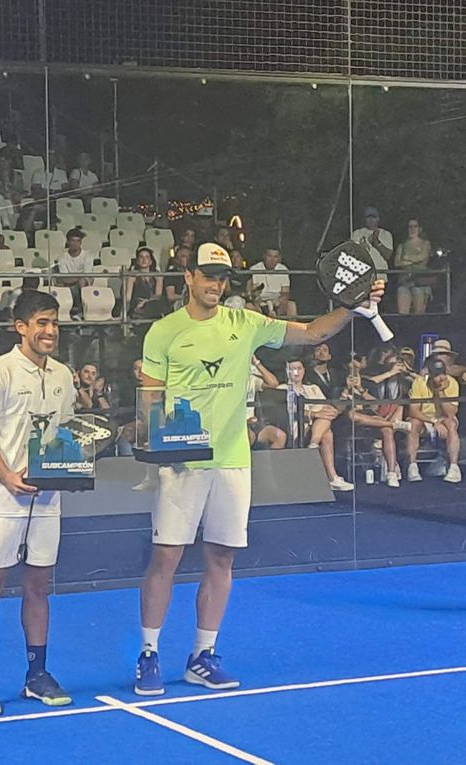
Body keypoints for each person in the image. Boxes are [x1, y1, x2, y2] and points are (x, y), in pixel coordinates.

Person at [133, 242, 384, 696]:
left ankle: (201, 657)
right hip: (182, 462)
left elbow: (310, 333)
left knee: (222, 557)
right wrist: (156, 449)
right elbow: (150, 398)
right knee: (166, 557)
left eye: (222, 277)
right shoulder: (163, 331)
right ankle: (149, 653)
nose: (215, 284)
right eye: (207, 275)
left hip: (231, 460)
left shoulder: (245, 323)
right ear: (188, 277)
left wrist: (351, 306)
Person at [0, 290, 76, 716]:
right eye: (42, 323)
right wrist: (8, 476)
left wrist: (72, 468)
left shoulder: (63, 376)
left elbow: (64, 434)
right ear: (21, 326)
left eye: (55, 323)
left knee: (39, 586)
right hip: (0, 498)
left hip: (47, 498)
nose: (50, 331)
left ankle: (37, 675)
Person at [278, 358, 354, 490]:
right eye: (292, 369)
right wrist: (313, 414)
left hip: (317, 426)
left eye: (299, 368)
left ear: (304, 370)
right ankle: (332, 477)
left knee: (326, 430)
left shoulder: (313, 388)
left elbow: (325, 408)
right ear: (287, 371)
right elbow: (286, 412)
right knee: (326, 430)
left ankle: (313, 446)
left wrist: (330, 411)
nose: (296, 372)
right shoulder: (282, 389)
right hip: (296, 427)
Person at [406, 358, 461, 484]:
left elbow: (451, 413)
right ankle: (412, 466)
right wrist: (433, 422)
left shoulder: (452, 383)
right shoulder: (419, 382)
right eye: (437, 375)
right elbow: (413, 411)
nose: (441, 378)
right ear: (430, 375)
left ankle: (454, 467)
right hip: (425, 417)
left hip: (444, 417)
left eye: (442, 373)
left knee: (451, 424)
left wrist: (440, 393)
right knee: (414, 424)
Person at [394, 218, 432, 314]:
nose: (412, 229)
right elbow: (397, 263)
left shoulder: (425, 243)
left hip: (420, 283)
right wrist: (412, 260)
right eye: (410, 227)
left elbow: (422, 257)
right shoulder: (402, 245)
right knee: (403, 313)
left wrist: (406, 258)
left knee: (419, 313)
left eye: (415, 226)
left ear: (420, 229)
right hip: (404, 282)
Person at [249, 248, 297, 317]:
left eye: (275, 257)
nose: (272, 260)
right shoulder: (255, 269)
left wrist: (279, 301)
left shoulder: (283, 269)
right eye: (269, 256)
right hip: (261, 303)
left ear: (279, 258)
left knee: (291, 305)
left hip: (277, 303)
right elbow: (253, 292)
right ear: (264, 256)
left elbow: (285, 293)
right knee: (249, 306)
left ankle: (292, 327)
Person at [351, 206, 393, 282]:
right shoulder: (357, 233)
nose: (371, 220)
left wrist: (376, 242)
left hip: (379, 274)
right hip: (361, 276)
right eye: (368, 217)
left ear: (378, 219)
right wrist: (361, 249)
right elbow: (351, 254)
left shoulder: (386, 234)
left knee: (377, 293)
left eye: (373, 217)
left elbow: (388, 256)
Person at [125, 247, 165, 319]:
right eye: (141, 257)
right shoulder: (133, 276)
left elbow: (158, 295)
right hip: (137, 304)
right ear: (137, 261)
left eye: (147, 257)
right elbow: (128, 298)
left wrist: (146, 302)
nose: (144, 260)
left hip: (152, 304)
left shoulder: (157, 276)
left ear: (150, 261)